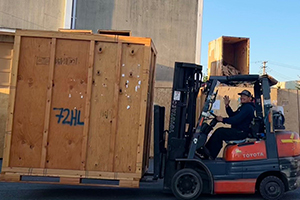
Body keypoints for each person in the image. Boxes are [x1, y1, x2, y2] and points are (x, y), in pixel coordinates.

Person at [205, 89, 255, 159]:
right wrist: (227, 106)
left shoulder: (248, 107)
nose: (242, 97)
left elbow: (236, 120)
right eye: (241, 96)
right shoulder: (244, 107)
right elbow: (233, 116)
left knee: (219, 132)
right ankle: (207, 152)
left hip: (241, 132)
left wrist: (223, 119)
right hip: (239, 131)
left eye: (245, 96)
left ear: (250, 98)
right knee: (220, 131)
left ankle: (209, 155)